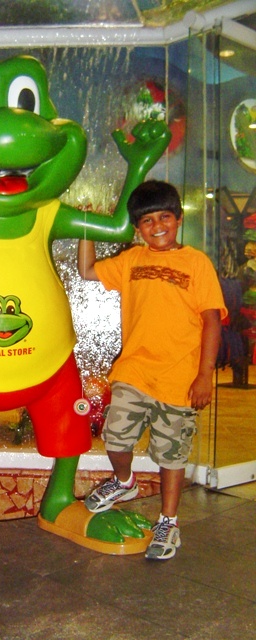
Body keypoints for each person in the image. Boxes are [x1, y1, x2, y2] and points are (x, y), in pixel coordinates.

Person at [78, 180, 227, 560]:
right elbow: (88, 271)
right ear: (137, 228)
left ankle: (168, 521)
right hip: (135, 370)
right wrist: (86, 227)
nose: (157, 226)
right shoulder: (132, 260)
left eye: (164, 217)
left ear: (178, 219)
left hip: (180, 378)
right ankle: (123, 481)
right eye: (147, 221)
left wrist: (205, 375)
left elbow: (211, 321)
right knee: (116, 436)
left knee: (171, 456)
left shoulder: (196, 263)